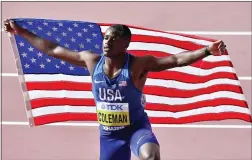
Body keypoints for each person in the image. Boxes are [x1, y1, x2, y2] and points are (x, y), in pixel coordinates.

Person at [3, 19, 226, 160]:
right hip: (109, 135)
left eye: (114, 38)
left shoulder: (138, 65)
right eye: (106, 37)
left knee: (150, 157)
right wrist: (21, 31)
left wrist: (207, 50)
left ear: (125, 45)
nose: (107, 41)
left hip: (136, 129)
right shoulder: (91, 61)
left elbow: (176, 60)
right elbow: (53, 49)